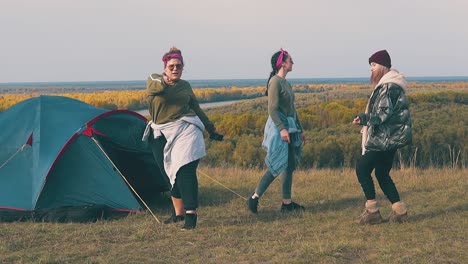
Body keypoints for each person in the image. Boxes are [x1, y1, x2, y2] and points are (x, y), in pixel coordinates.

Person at [143, 47, 223, 230]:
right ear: (165, 66)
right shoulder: (154, 79)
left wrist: (211, 129)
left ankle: (190, 215)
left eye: (179, 66)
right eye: (171, 66)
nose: (175, 69)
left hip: (186, 129)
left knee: (185, 170)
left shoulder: (185, 86)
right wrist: (167, 79)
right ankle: (178, 214)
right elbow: (158, 86)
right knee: (169, 176)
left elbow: (196, 108)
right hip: (160, 133)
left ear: (183, 67)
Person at [352, 49, 412, 225]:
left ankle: (372, 212)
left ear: (383, 66)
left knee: (362, 168)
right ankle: (400, 212)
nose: (371, 69)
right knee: (382, 174)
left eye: (374, 65)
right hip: (391, 138)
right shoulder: (392, 85)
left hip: (385, 139)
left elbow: (382, 115)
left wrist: (363, 119)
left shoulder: (388, 87)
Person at [247, 48, 306, 214]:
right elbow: (272, 109)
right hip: (278, 127)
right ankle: (254, 198)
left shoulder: (286, 83)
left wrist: (300, 130)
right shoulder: (275, 82)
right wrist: (282, 130)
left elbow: (292, 109)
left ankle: (287, 204)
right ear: (283, 63)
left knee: (289, 165)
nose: (293, 63)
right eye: (290, 60)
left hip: (290, 126)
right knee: (277, 163)